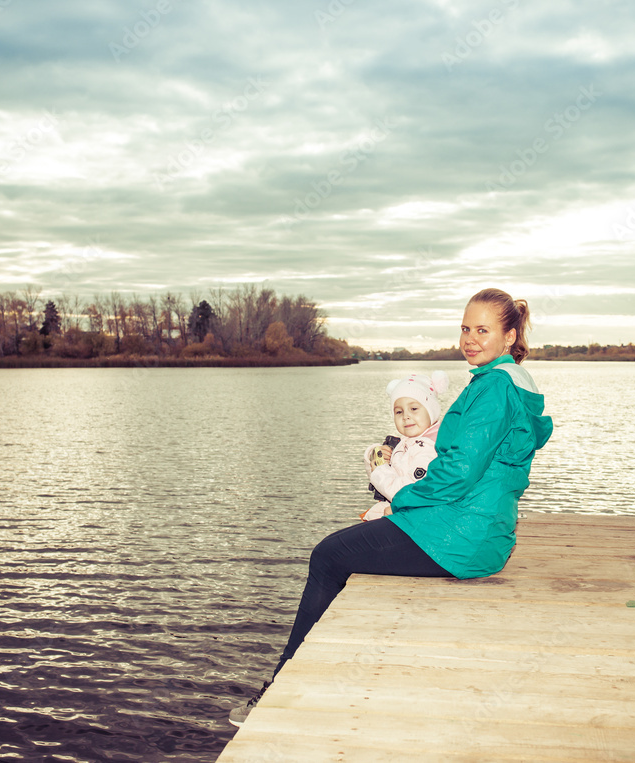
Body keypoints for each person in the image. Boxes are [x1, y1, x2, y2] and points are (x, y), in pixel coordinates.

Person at [228, 288, 553, 727]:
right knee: (349, 548)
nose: (470, 339)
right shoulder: (508, 381)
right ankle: (315, 673)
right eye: (465, 328)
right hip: (479, 529)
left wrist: (398, 494)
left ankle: (281, 685)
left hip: (458, 536)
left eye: (483, 330)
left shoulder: (495, 388)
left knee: (329, 556)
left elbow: (457, 474)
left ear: (510, 335)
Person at [360, 370, 450, 521]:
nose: (406, 416)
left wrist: (380, 469)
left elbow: (405, 493)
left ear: (431, 410)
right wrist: (376, 458)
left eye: (414, 409)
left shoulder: (429, 449)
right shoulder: (406, 441)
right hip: (398, 517)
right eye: (398, 412)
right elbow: (379, 484)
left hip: (410, 522)